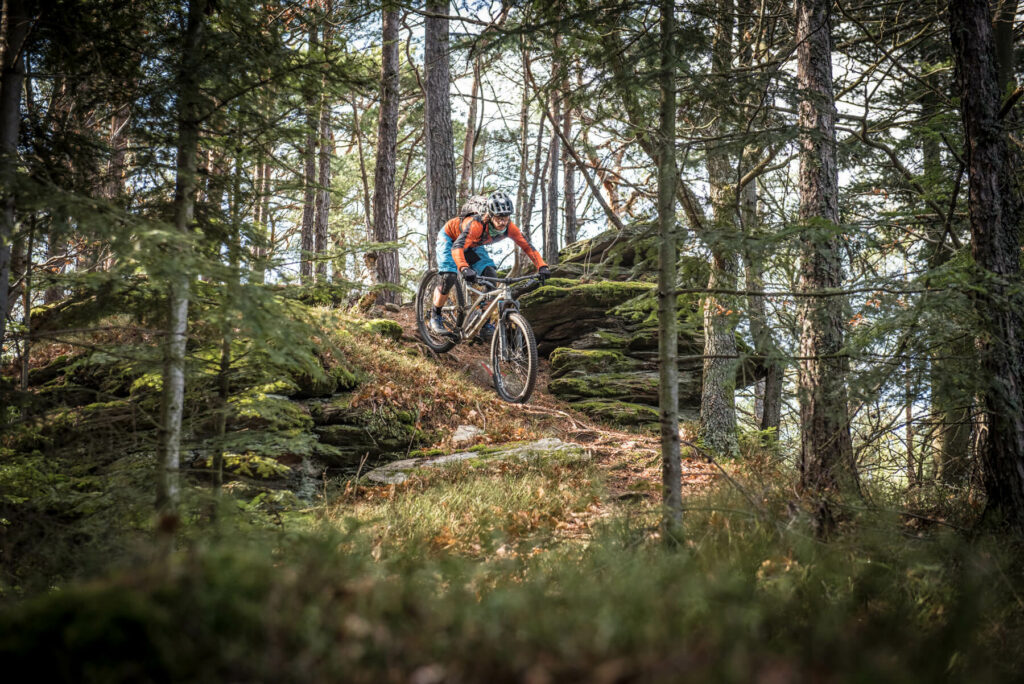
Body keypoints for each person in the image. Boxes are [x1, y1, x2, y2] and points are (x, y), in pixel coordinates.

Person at [430, 190, 550, 335]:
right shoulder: (476, 224)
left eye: (505, 218)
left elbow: (527, 246)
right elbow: (457, 247)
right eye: (499, 218)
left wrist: (542, 266)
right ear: (491, 216)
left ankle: (483, 320)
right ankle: (435, 315)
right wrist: (464, 268)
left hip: (472, 245)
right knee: (449, 276)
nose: (502, 222)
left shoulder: (510, 228)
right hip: (450, 240)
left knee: (490, 274)